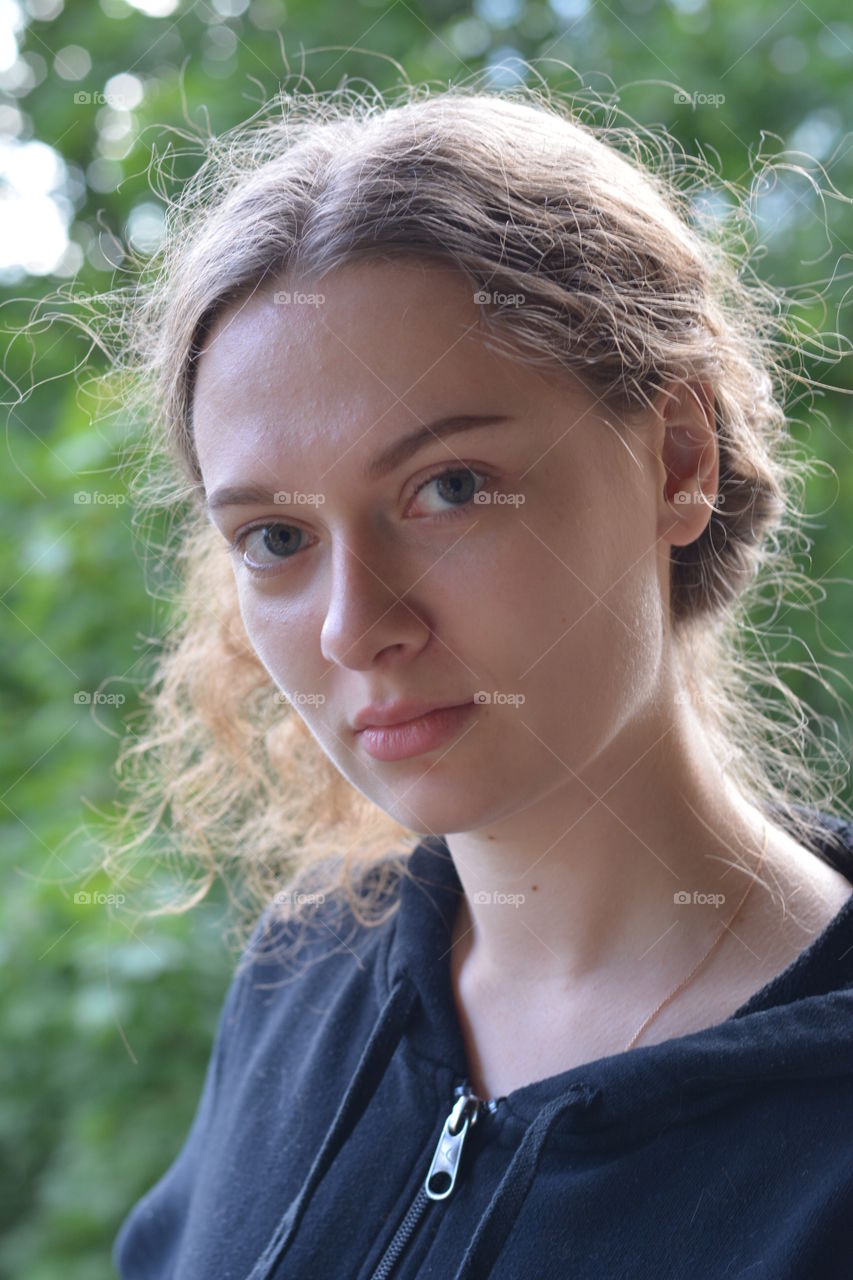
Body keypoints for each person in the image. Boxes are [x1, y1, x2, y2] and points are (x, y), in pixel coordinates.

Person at [102, 80, 853, 1278]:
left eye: (448, 487)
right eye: (275, 539)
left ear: (677, 459)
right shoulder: (308, 979)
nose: (356, 625)